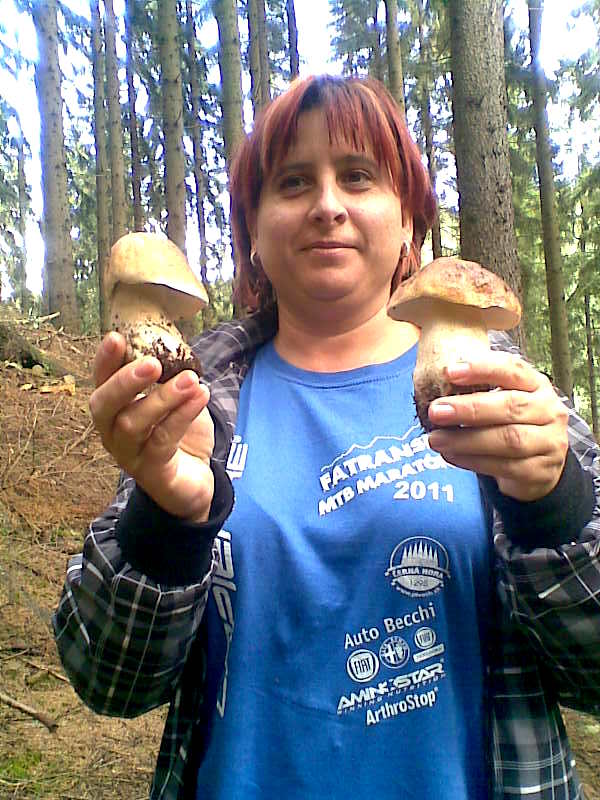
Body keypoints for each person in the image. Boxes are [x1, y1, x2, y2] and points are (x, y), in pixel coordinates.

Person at [53, 75, 600, 800]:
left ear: (409, 219)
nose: (328, 206)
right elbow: (108, 680)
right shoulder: (194, 398)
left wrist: (551, 505)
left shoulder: (510, 397)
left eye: (358, 176)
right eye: (292, 183)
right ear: (252, 230)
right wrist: (167, 520)